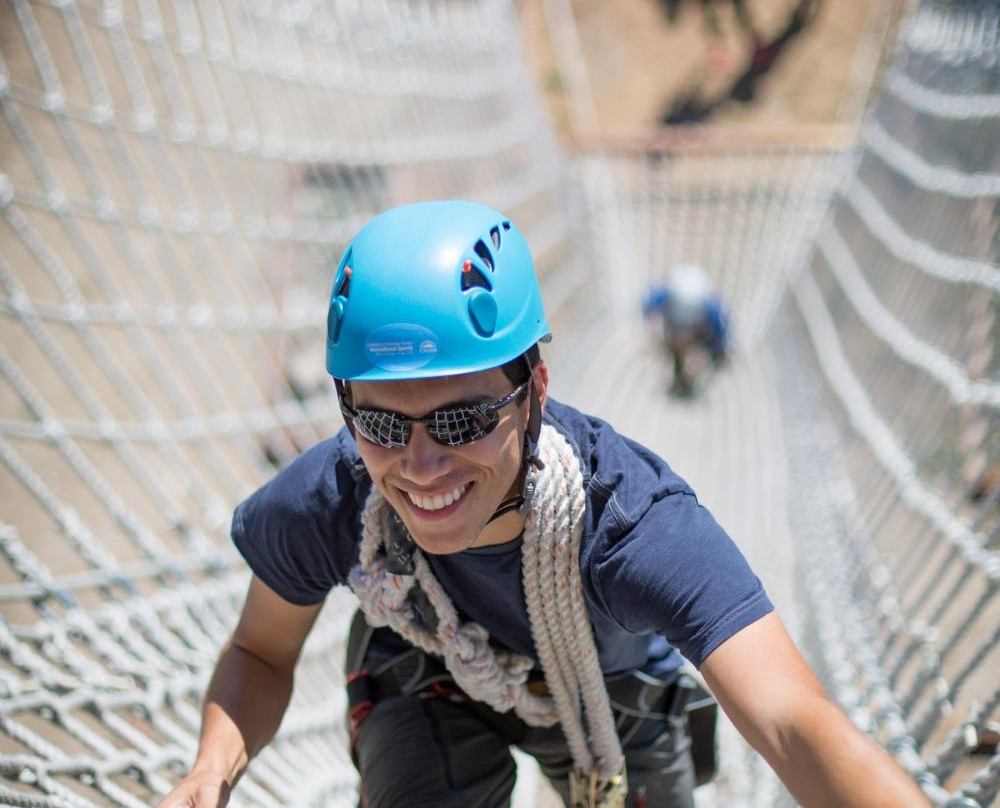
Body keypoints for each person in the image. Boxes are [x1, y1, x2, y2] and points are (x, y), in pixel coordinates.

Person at [155, 201, 932, 808]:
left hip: (608, 698)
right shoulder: (335, 496)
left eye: (461, 420)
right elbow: (260, 653)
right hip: (427, 677)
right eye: (383, 423)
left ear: (534, 395)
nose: (421, 466)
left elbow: (795, 725)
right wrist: (210, 772)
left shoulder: (631, 525)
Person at [643, 265, 729, 397]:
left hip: (701, 341)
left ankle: (693, 381)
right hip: (674, 335)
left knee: (694, 364)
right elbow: (647, 306)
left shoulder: (713, 313)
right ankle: (676, 376)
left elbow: (722, 340)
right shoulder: (667, 295)